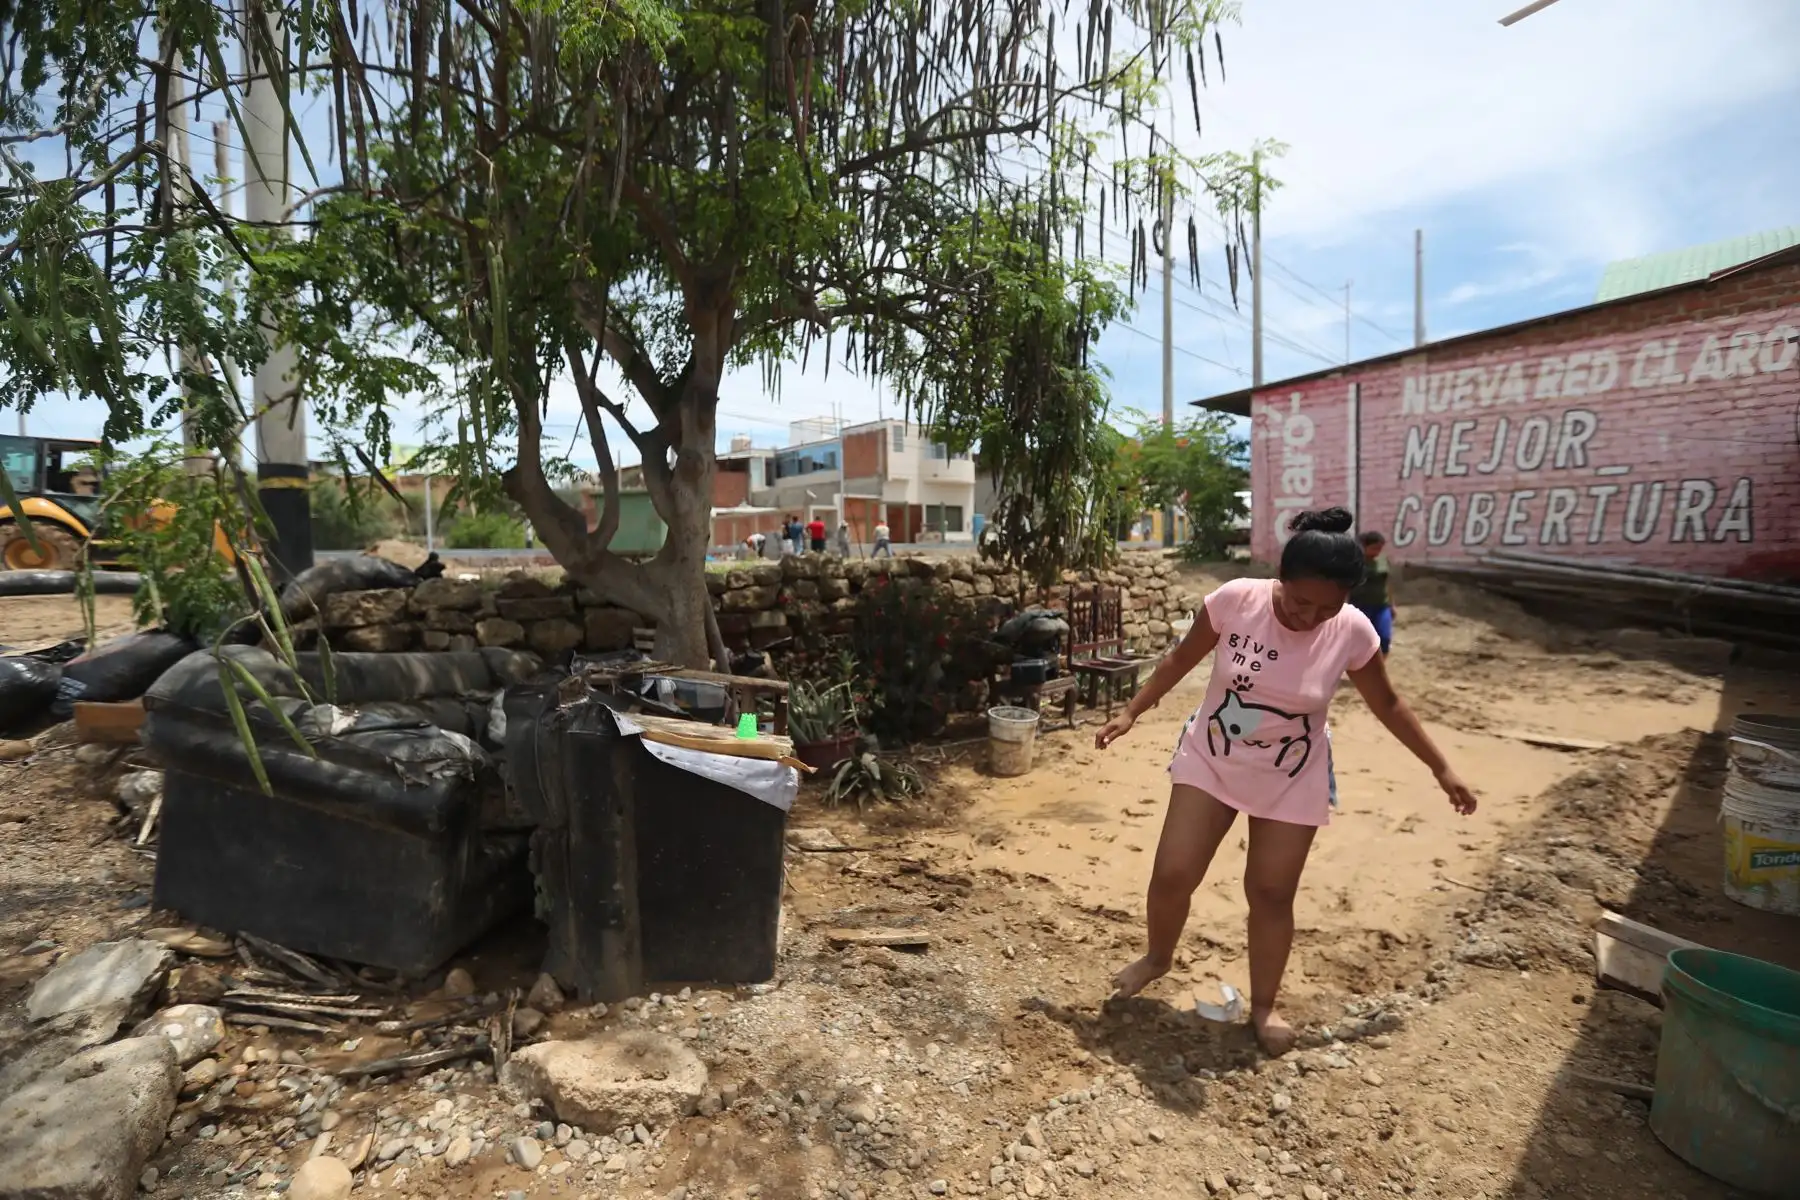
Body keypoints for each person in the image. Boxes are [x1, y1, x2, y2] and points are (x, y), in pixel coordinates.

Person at [1093, 507, 1476, 1056]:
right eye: (1300, 601)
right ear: (1280, 577)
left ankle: (1264, 1004)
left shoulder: (1352, 632)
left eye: (1328, 606)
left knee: (1271, 893)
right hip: (1214, 753)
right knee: (1174, 871)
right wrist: (1132, 711)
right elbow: (1180, 658)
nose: (1309, 617)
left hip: (1292, 773)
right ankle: (1157, 957)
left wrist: (1440, 767)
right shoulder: (1237, 600)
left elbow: (1389, 704)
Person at [1349, 531, 1393, 657]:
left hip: (1381, 605)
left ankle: (1379, 669)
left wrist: (1392, 604)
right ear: (1364, 546)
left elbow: (1388, 583)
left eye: (1380, 548)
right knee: (1361, 641)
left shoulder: (1383, 560)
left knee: (1384, 638)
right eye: (1374, 548)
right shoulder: (1354, 562)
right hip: (1360, 606)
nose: (1377, 551)